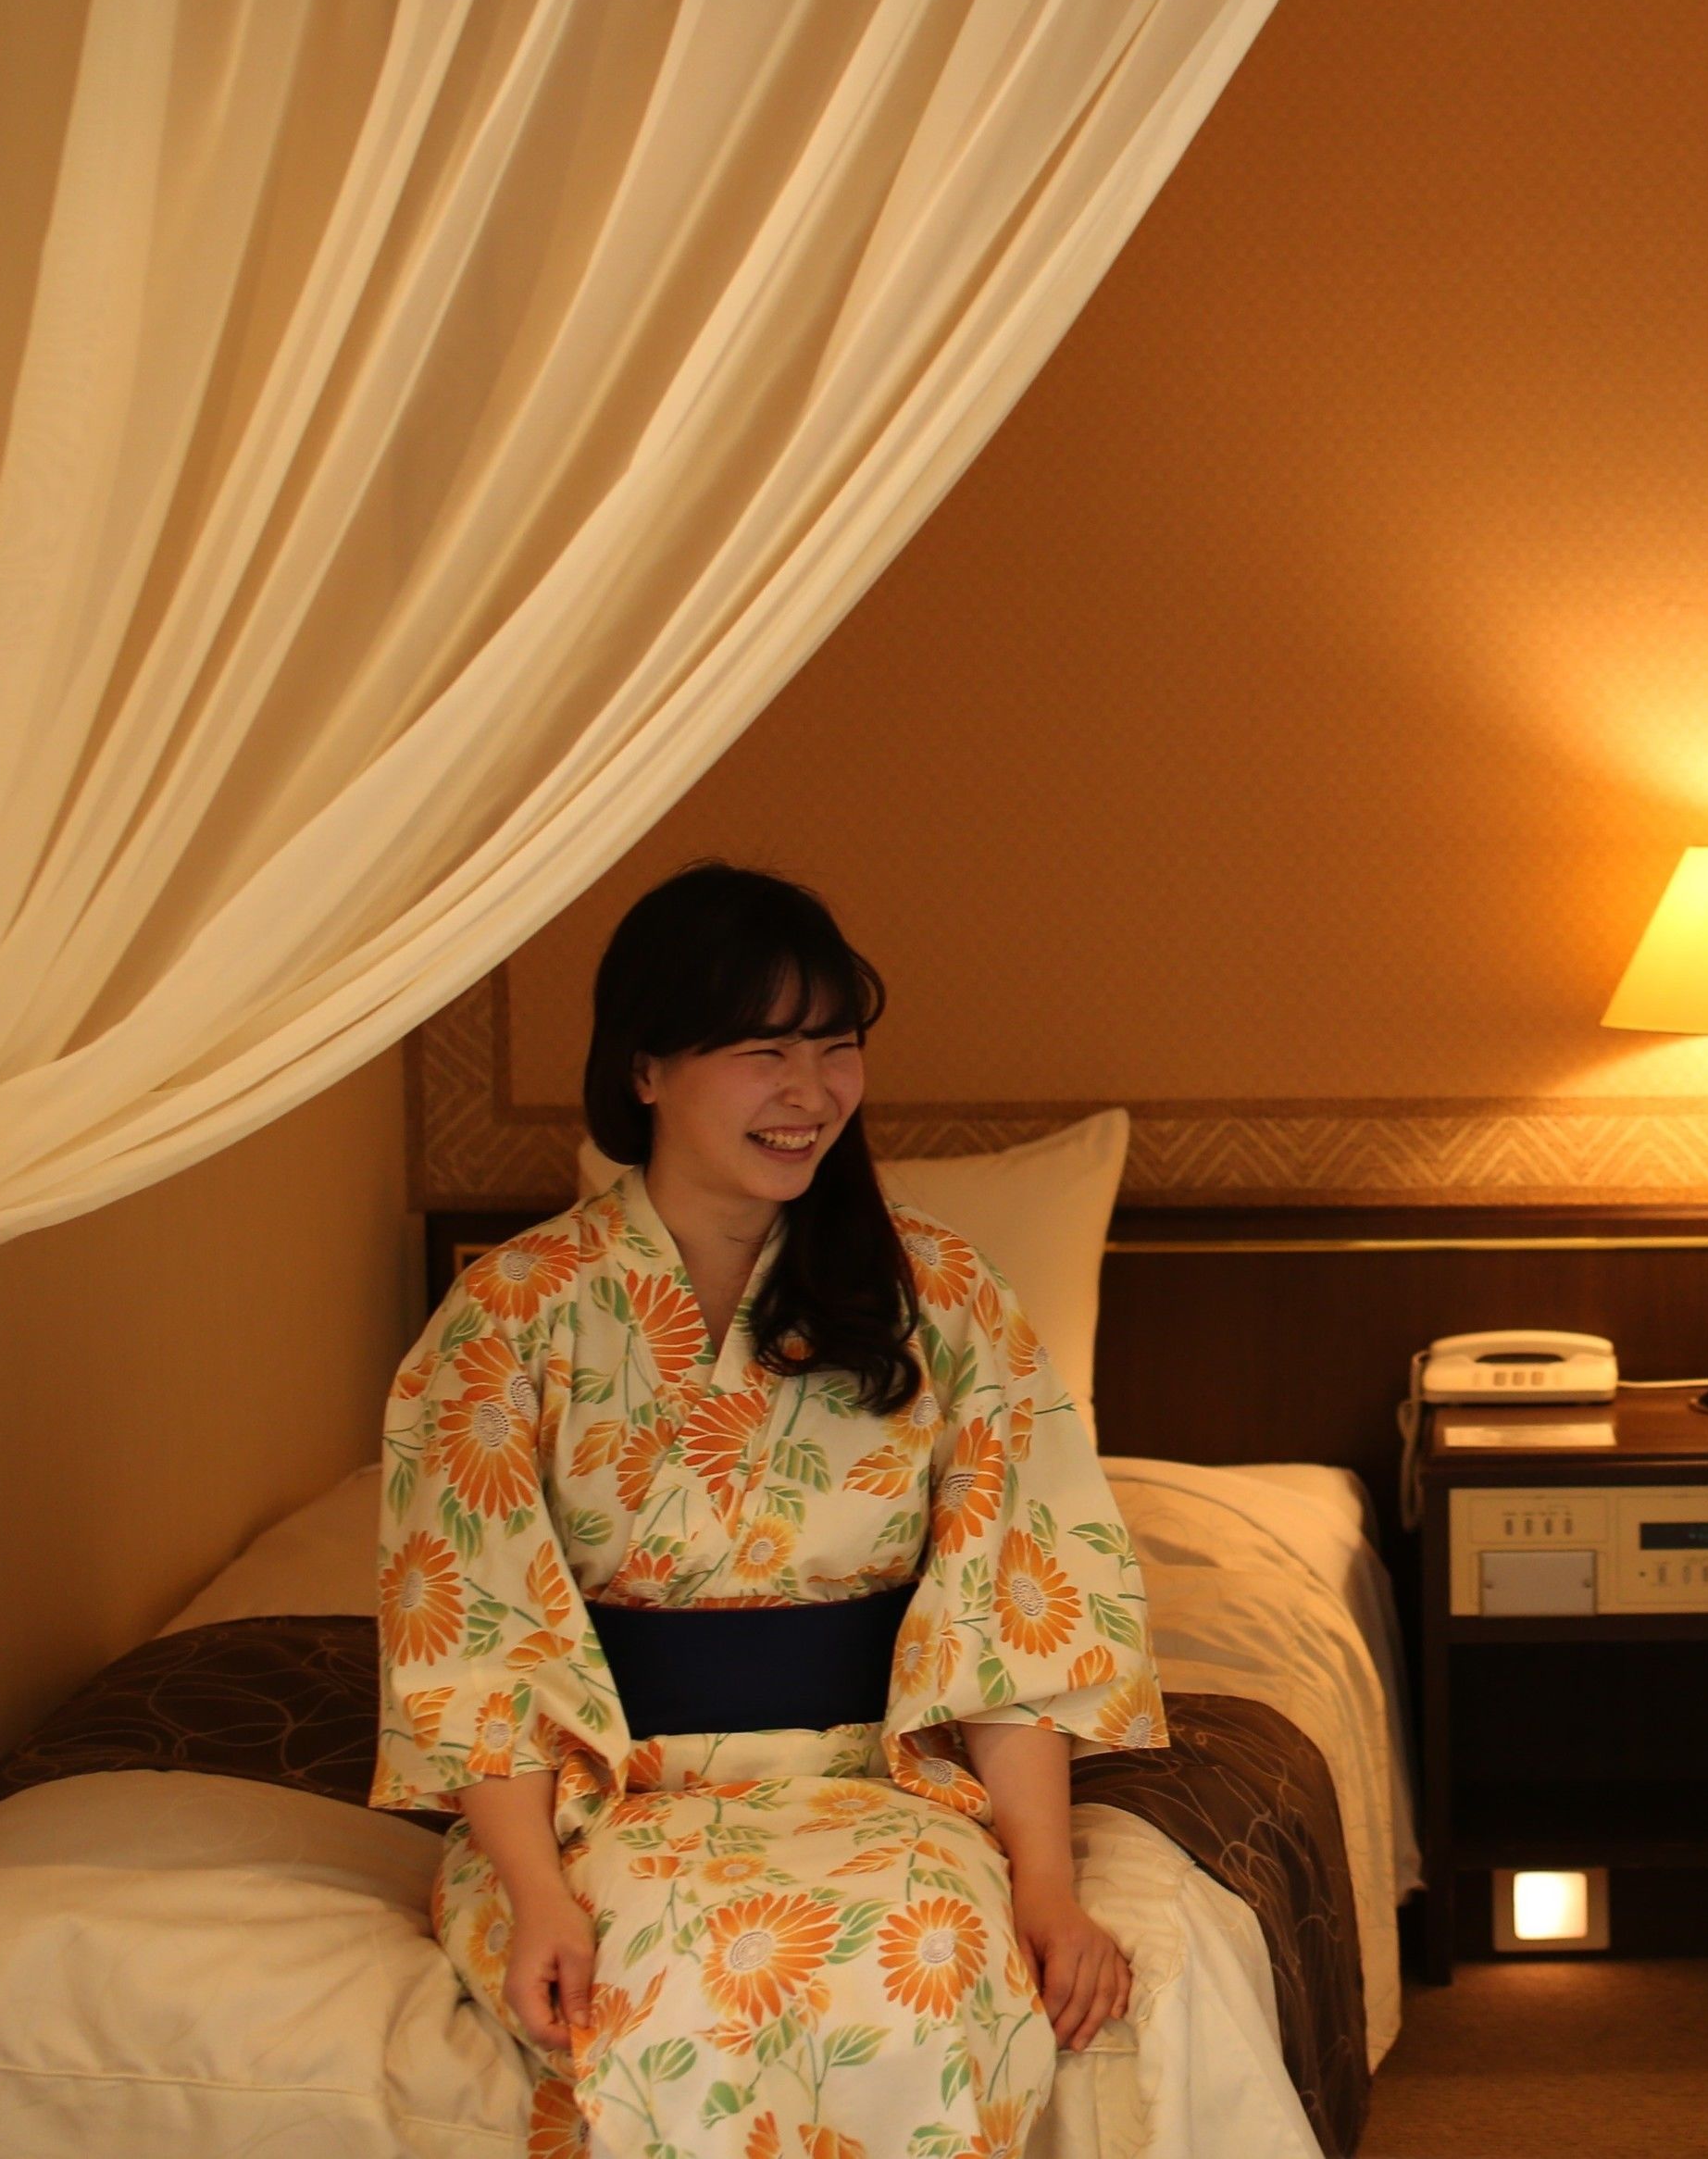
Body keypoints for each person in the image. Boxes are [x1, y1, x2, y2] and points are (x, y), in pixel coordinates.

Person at [373, 865, 1162, 2159]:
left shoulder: (941, 1291)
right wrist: (535, 1897)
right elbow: (475, 1639)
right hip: (600, 1806)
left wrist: (1048, 1889)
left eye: (835, 1048)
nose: (810, 1092)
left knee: (930, 1960)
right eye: (763, 1052)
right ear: (645, 1070)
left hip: (880, 1787)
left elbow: (1013, 1607)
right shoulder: (512, 1310)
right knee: (673, 1981)